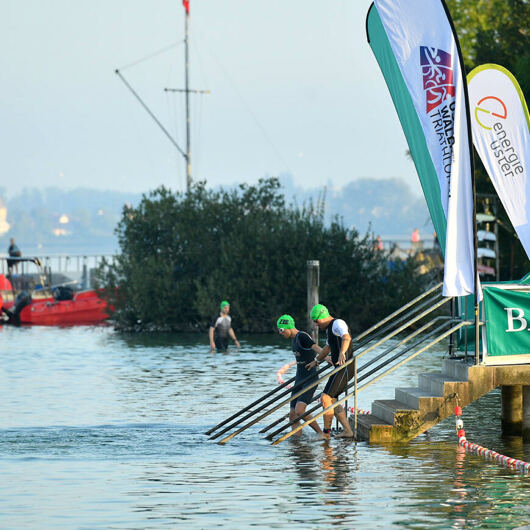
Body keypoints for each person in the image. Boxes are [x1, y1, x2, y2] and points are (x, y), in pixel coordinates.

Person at [306, 304, 354, 438]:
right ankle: (348, 431)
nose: (316, 325)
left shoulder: (338, 323)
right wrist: (316, 361)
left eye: (316, 321)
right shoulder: (330, 329)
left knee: (325, 397)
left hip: (345, 368)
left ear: (321, 318)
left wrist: (342, 353)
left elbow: (347, 337)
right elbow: (327, 348)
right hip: (340, 368)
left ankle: (326, 434)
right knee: (332, 400)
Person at [277, 314, 326, 438]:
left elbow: (316, 347)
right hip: (299, 379)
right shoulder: (293, 339)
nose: (280, 333)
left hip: (310, 377)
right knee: (293, 415)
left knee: (300, 411)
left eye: (281, 330)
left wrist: (327, 357)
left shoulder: (302, 336)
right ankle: (297, 442)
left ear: (288, 327)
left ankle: (322, 434)